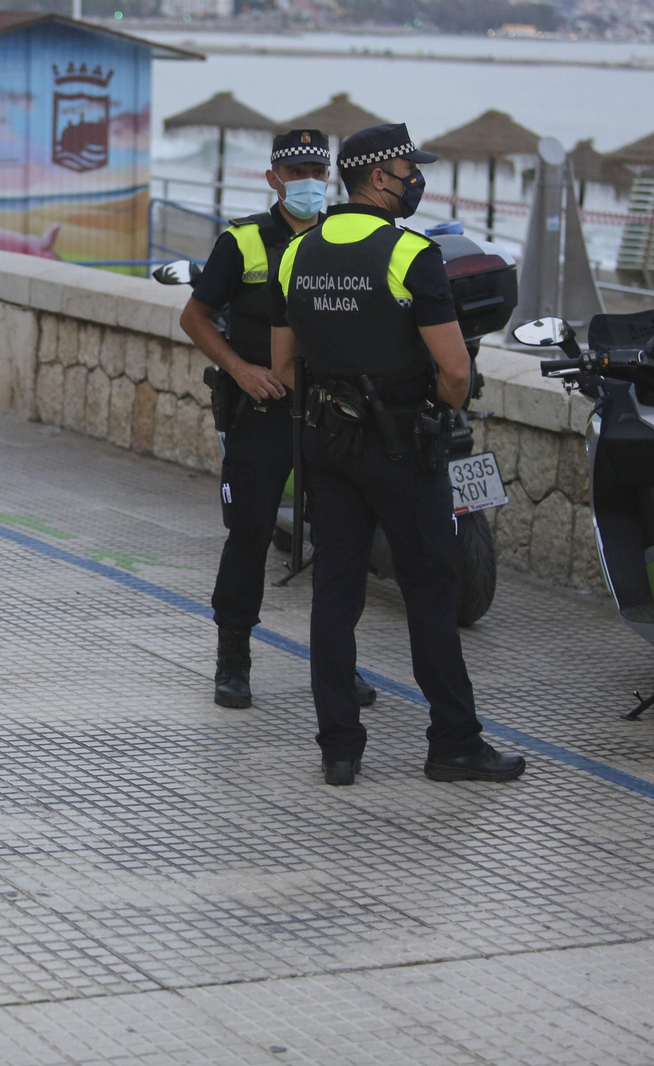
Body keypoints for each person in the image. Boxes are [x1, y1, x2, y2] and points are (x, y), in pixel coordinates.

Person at [269, 123, 526, 787]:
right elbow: (456, 371)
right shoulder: (410, 253)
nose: (418, 181)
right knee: (430, 591)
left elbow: (283, 362)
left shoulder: (297, 253)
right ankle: (453, 744)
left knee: (335, 594)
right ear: (379, 177)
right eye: (411, 171)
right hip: (403, 447)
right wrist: (433, 412)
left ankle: (339, 748)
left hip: (328, 442)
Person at [181, 128, 378, 713]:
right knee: (250, 532)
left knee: (341, 541)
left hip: (329, 413)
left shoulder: (342, 237)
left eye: (317, 172)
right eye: (296, 173)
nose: (309, 183)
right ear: (273, 179)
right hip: (262, 411)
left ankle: (338, 663)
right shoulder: (242, 241)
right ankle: (233, 661)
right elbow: (195, 317)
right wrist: (241, 370)